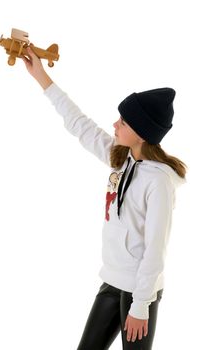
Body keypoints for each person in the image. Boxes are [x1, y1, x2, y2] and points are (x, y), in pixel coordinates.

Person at [22, 47, 187, 349]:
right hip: (112, 282)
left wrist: (140, 306)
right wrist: (42, 77)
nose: (115, 125)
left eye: (122, 122)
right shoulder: (121, 159)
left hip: (141, 291)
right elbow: (80, 125)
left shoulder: (159, 182)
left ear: (141, 133)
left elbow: (155, 249)